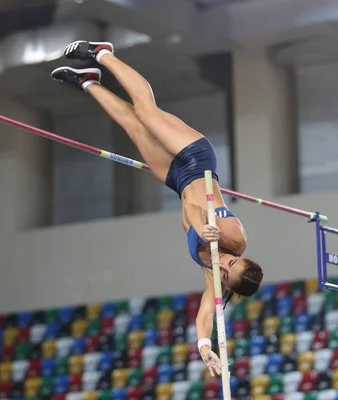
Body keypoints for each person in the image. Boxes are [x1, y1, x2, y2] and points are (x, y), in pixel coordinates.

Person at [52, 41, 263, 376]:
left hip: (177, 180)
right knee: (146, 112)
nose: (223, 264)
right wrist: (203, 228)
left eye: (226, 274)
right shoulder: (235, 237)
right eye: (232, 263)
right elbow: (196, 209)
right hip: (196, 159)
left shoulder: (215, 281)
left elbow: (205, 316)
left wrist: (205, 349)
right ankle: (102, 53)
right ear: (241, 257)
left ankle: (88, 81)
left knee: (134, 128)